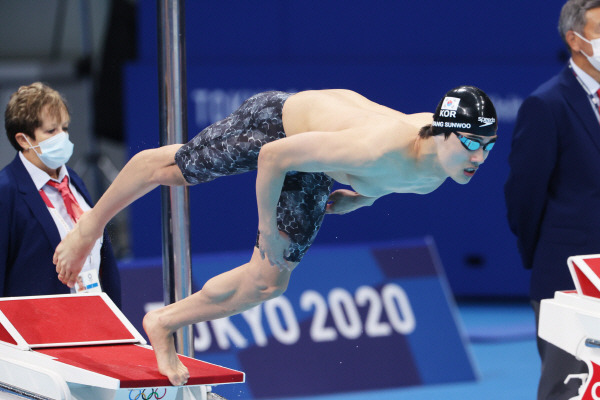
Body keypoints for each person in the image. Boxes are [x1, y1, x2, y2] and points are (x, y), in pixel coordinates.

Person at [54, 86, 497, 385]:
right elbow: (273, 156)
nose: (480, 157)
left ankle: (162, 322)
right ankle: (88, 228)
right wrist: (267, 226)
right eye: (472, 144)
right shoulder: (377, 146)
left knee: (267, 282)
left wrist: (364, 198)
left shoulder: (441, 169)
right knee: (174, 170)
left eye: (489, 146)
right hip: (281, 126)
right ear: (444, 133)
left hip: (319, 162)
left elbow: (396, 179)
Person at [504, 1, 600, 398]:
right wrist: (545, 257)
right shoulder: (546, 104)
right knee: (571, 388)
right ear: (574, 40)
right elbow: (523, 197)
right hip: (568, 278)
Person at [0, 82, 121, 307]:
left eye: (64, 128)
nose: (62, 137)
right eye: (51, 130)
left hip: (96, 317)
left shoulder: (73, 180)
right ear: (23, 140)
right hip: (38, 330)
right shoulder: (6, 190)